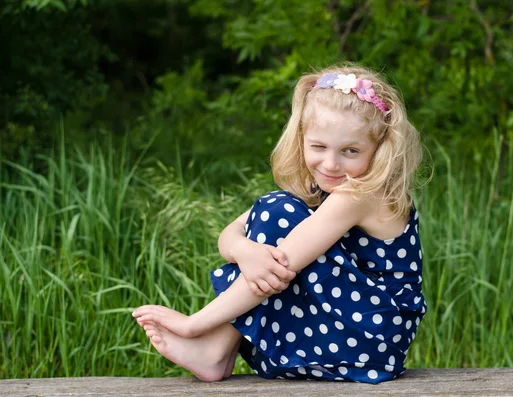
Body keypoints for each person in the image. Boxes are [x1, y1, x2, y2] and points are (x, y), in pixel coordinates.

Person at [132, 64, 426, 384]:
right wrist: (244, 250)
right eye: (318, 147)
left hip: (368, 341)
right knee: (275, 212)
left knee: (277, 216)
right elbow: (230, 233)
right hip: (344, 335)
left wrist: (192, 325)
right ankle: (217, 350)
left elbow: (283, 262)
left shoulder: (361, 194)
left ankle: (212, 347)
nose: (330, 163)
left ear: (380, 149)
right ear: (301, 139)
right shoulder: (320, 190)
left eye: (350, 151)